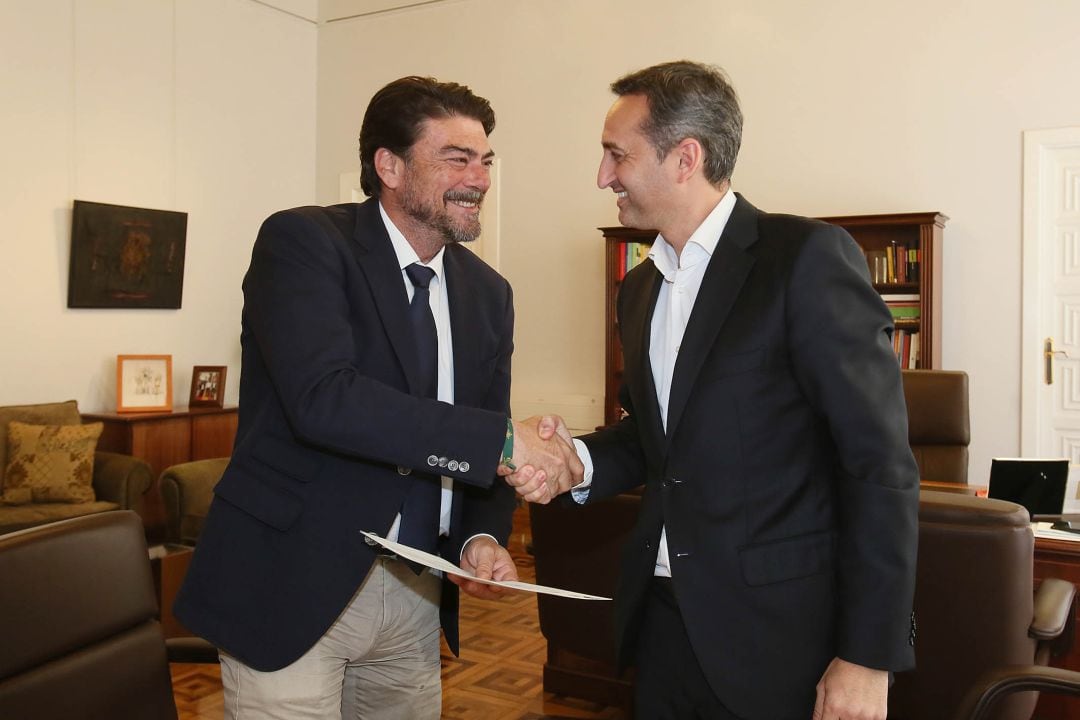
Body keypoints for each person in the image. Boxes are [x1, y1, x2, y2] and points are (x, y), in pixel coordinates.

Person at [507, 60, 919, 720]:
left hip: (781, 638)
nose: (602, 176)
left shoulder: (804, 259)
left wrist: (868, 655)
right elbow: (654, 439)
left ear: (684, 158)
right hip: (664, 626)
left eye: (617, 154)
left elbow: (879, 465)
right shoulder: (638, 289)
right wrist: (573, 463)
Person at [174, 75, 581, 720]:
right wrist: (504, 442)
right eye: (456, 158)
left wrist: (480, 536)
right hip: (291, 583)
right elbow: (324, 399)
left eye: (485, 160)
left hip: (415, 595)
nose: (479, 177)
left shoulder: (489, 294)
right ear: (388, 165)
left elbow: (481, 424)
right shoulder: (303, 243)